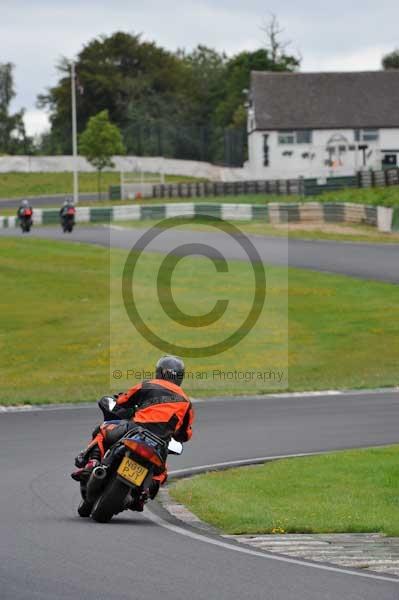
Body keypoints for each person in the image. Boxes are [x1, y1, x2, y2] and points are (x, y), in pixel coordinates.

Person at [71, 356, 194, 510]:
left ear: (159, 372)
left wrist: (121, 404)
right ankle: (144, 493)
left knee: (103, 430)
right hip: (159, 445)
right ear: (180, 377)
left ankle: (92, 462)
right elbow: (185, 434)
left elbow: (123, 400)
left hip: (134, 431)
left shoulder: (148, 384)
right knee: (161, 474)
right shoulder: (186, 401)